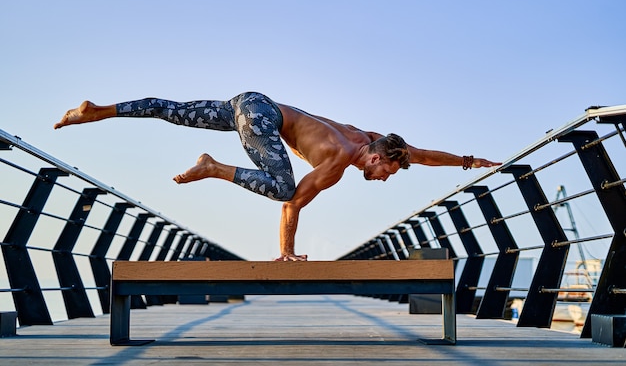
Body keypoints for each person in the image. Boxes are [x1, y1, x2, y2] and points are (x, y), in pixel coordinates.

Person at [54, 92, 501, 261]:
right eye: (388, 172)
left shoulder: (368, 136)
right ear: (377, 157)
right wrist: (286, 252)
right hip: (260, 119)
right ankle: (213, 167)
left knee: (172, 111)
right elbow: (291, 203)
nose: (386, 179)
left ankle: (98, 111)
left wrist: (468, 161)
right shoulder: (338, 159)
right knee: (284, 186)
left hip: (252, 104)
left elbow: (420, 155)